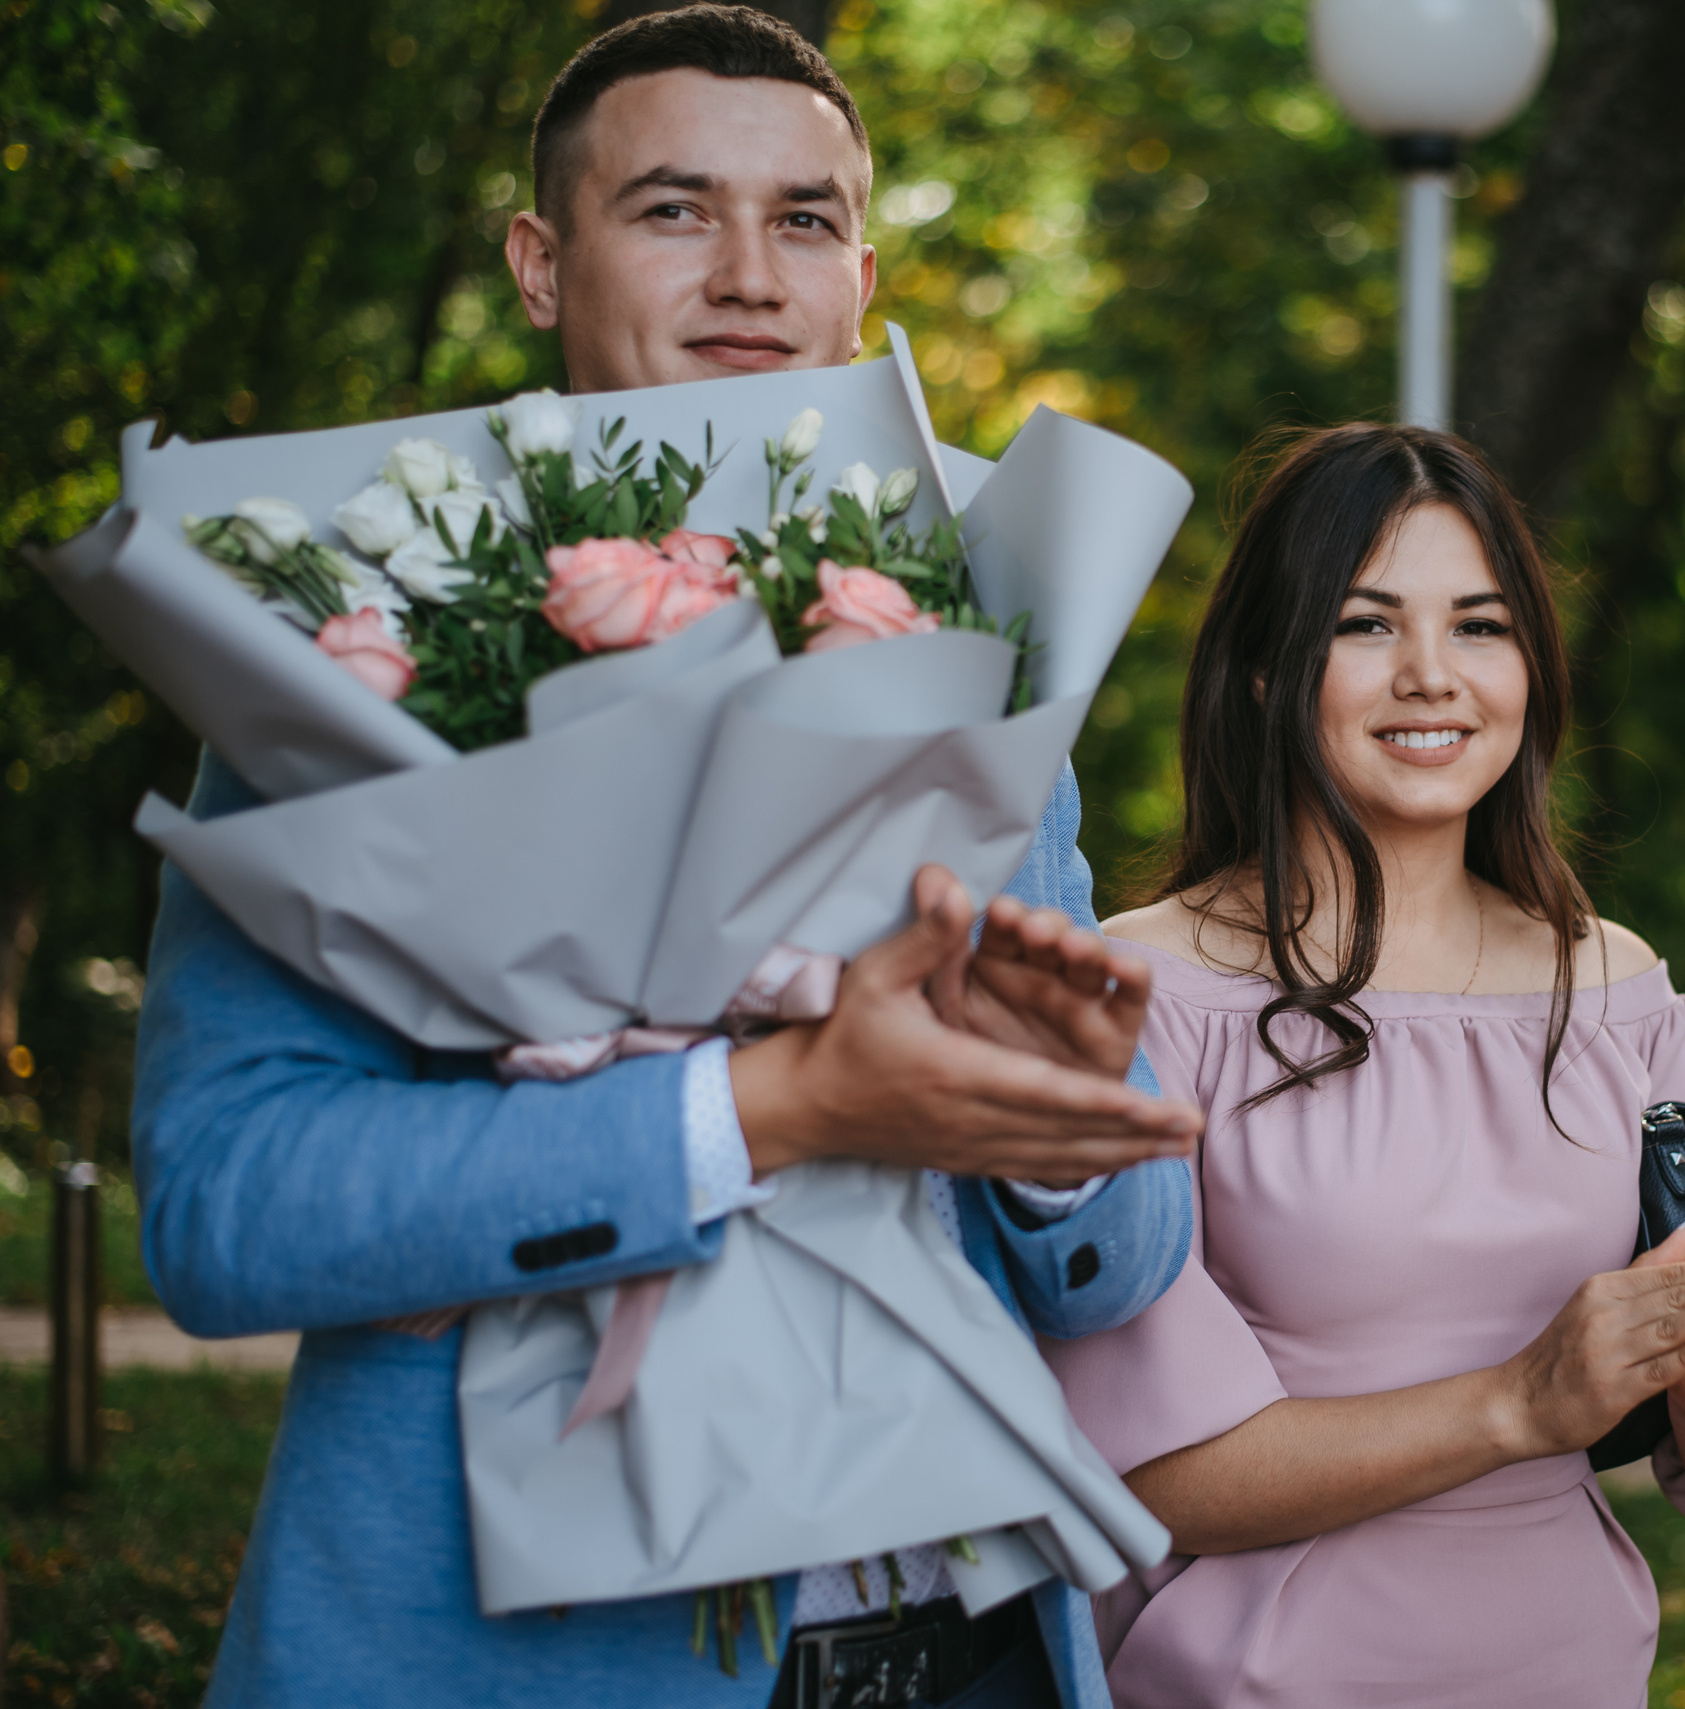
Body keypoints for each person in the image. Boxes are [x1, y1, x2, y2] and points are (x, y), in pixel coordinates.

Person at [137, 11, 1200, 1708]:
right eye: (674, 208)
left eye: (803, 220)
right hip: (543, 1657)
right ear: (541, 263)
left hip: (981, 1646)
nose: (749, 275)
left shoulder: (977, 646)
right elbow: (229, 1209)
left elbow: (1121, 1267)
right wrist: (764, 1111)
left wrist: (1062, 1131)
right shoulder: (353, 654)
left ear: (863, 273)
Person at [1037, 423, 1685, 1709]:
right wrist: (1520, 1401)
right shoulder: (1142, 997)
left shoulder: (1617, 993)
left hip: (1569, 1669)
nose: (1429, 676)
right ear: (1257, 669)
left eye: (1478, 625)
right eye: (1363, 624)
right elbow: (1155, 1470)